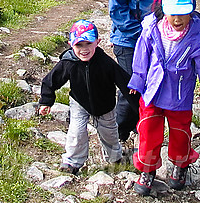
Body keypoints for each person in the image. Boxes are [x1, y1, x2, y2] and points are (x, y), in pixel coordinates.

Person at [127, 0, 200, 196]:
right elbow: (142, 56)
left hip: (180, 96)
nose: (178, 19)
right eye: (173, 14)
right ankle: (147, 170)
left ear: (191, 12)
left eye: (184, 14)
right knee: (148, 131)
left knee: (180, 133)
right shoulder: (152, 30)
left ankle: (180, 165)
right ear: (164, 11)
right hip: (152, 92)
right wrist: (137, 80)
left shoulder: (196, 40)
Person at [109, 0, 195, 142]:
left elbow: (189, 6)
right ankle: (119, 135)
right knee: (131, 88)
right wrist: (141, 34)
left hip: (163, 42)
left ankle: (145, 135)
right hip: (128, 40)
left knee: (153, 86)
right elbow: (116, 6)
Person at [38, 20, 131, 174]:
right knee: (76, 132)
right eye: (79, 45)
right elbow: (50, 81)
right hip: (79, 102)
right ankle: (72, 162)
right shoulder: (69, 62)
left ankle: (114, 157)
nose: (84, 49)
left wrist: (138, 105)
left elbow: (124, 82)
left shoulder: (105, 63)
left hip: (105, 104)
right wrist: (46, 101)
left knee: (109, 132)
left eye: (88, 43)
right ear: (70, 44)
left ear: (97, 42)